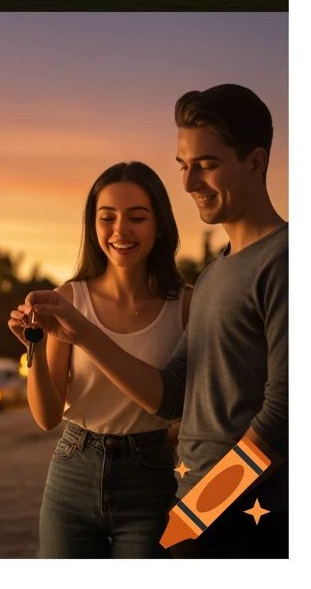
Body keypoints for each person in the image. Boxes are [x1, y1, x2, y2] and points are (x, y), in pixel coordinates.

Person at [19, 85, 287, 559]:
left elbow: (285, 415)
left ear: (256, 162)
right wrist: (79, 333)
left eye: (207, 164)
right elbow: (169, 395)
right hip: (190, 505)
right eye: (184, 165)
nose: (189, 182)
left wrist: (202, 509)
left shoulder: (285, 261)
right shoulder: (215, 276)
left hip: (238, 515)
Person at [8, 161, 191, 557]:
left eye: (137, 217)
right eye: (107, 217)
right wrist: (32, 346)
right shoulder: (69, 299)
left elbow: (183, 404)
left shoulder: (187, 305)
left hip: (152, 478)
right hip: (73, 469)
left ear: (160, 225)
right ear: (93, 226)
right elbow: (47, 417)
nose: (120, 230)